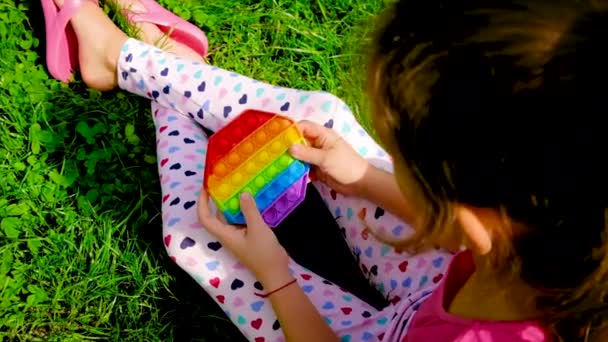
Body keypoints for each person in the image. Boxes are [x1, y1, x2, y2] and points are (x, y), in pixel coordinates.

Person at [42, 0, 608, 341]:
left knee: (198, 232)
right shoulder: (571, 225)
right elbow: (467, 230)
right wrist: (361, 175)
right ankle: (134, 59)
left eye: (398, 149)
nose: (385, 148)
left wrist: (275, 272)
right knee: (321, 118)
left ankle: (149, 61)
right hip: (443, 280)